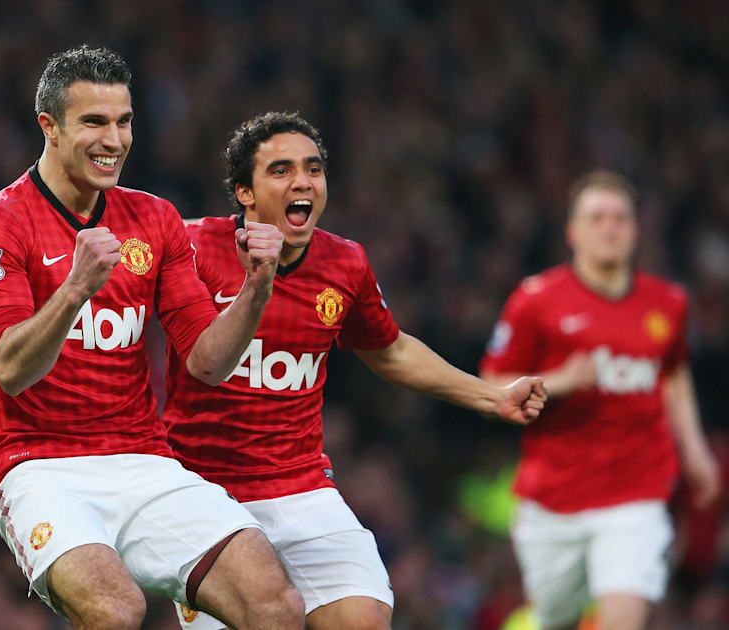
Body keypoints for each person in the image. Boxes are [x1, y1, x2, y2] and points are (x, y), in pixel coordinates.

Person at [0, 47, 304, 630]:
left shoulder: (154, 218)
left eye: (124, 122)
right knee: (117, 612)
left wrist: (257, 287)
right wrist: (75, 289)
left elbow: (207, 362)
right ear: (49, 126)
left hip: (143, 458)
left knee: (276, 604)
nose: (114, 140)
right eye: (94, 122)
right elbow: (9, 371)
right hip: (37, 464)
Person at [163, 111, 548, 630]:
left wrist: (491, 395)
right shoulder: (191, 247)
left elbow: (390, 351)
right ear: (244, 192)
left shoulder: (345, 264)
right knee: (268, 616)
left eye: (313, 168)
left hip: (302, 489)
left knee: (365, 619)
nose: (303, 181)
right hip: (206, 494)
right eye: (281, 170)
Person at [480, 170, 721, 630]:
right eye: (597, 218)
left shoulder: (667, 303)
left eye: (620, 218)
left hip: (638, 491)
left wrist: (694, 450)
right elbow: (491, 383)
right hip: (554, 497)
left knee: (623, 613)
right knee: (556, 618)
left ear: (635, 229)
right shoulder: (535, 300)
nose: (610, 228)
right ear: (573, 232)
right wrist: (559, 381)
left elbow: (673, 373)